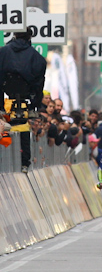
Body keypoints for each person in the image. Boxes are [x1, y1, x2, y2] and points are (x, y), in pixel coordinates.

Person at [0, 28, 47, 172]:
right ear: (30, 37)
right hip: (26, 92)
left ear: (14, 35)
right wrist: (34, 105)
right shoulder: (36, 56)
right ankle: (25, 162)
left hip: (6, 89)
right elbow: (39, 80)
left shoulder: (3, 51)